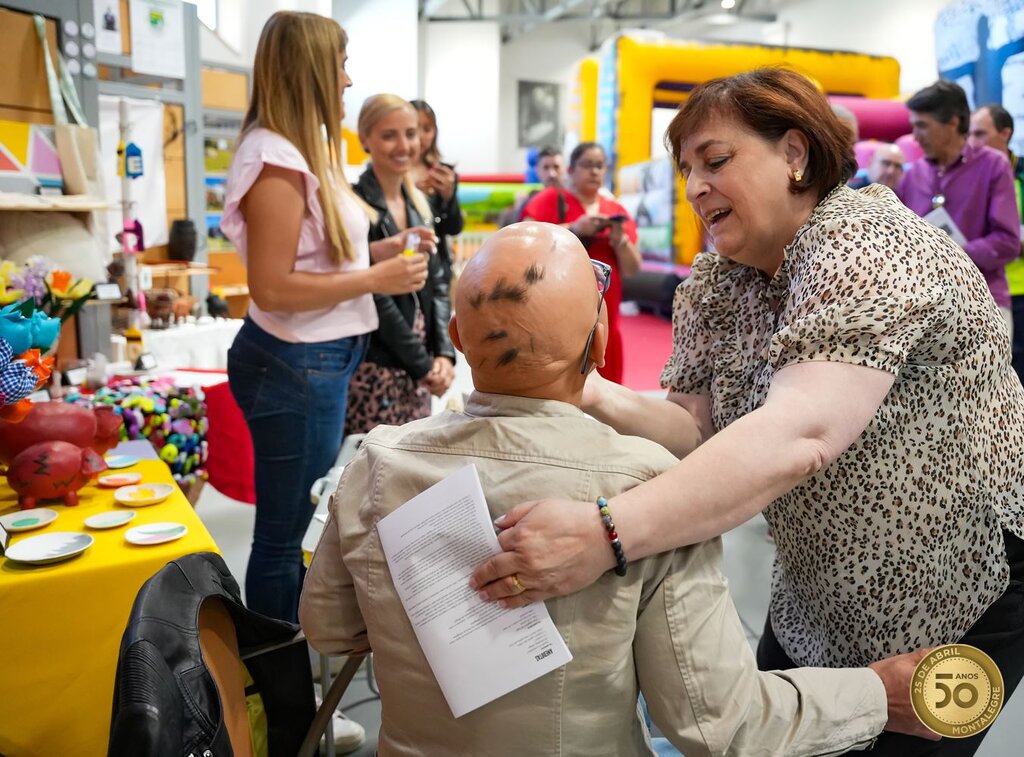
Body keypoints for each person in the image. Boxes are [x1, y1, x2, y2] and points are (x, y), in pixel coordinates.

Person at [469, 68, 1024, 757]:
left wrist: (603, 534)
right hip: (819, 583)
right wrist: (579, 387)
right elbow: (694, 428)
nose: (696, 186)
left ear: (795, 153)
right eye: (686, 170)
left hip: (954, 578)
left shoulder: (864, 240)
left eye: (716, 160)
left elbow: (803, 431)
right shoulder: (722, 282)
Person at [301, 221, 933, 756]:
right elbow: (716, 722)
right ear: (600, 340)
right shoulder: (644, 489)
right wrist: (879, 692)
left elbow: (329, 630)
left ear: (460, 339)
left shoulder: (378, 461)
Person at [221, 15, 427, 753]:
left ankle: (291, 693)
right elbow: (274, 286)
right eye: (340, 65)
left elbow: (315, 259)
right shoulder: (276, 158)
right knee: (281, 541)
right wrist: (379, 273)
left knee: (297, 531)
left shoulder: (304, 151)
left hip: (319, 361)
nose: (347, 78)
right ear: (311, 68)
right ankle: (283, 709)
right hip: (293, 364)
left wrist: (384, 248)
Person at [346, 95, 456, 434]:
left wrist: (444, 354)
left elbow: (437, 283)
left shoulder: (420, 204)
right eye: (389, 135)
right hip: (376, 366)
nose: (404, 145)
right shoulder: (354, 205)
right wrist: (422, 363)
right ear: (365, 139)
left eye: (411, 134)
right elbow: (372, 292)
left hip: (417, 370)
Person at [897, 81, 1020, 338]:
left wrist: (952, 256)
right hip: (923, 310)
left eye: (922, 126)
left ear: (952, 123)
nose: (915, 137)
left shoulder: (993, 166)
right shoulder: (913, 175)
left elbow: (1008, 242)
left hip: (983, 305)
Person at [520, 142, 641, 384]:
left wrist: (620, 241)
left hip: (605, 322)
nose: (594, 172)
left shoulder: (615, 209)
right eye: (587, 165)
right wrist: (575, 229)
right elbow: (523, 244)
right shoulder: (550, 200)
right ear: (571, 170)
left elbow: (633, 268)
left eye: (600, 166)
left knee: (607, 399)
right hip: (555, 319)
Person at [969, 102, 1024, 384]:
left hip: (1018, 289)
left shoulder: (1019, 174)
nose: (972, 142)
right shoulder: (972, 175)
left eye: (980, 134)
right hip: (987, 290)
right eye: (970, 134)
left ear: (1005, 134)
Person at [409, 99, 463, 282]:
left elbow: (454, 227)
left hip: (437, 266)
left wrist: (449, 197)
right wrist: (409, 191)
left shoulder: (443, 173)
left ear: (435, 132)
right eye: (414, 128)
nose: (421, 136)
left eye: (427, 128)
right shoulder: (391, 173)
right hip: (404, 259)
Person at [497, 145, 564, 227]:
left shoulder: (574, 197)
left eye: (556, 167)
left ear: (564, 169)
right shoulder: (529, 200)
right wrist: (518, 210)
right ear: (537, 170)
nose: (551, 174)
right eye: (546, 167)